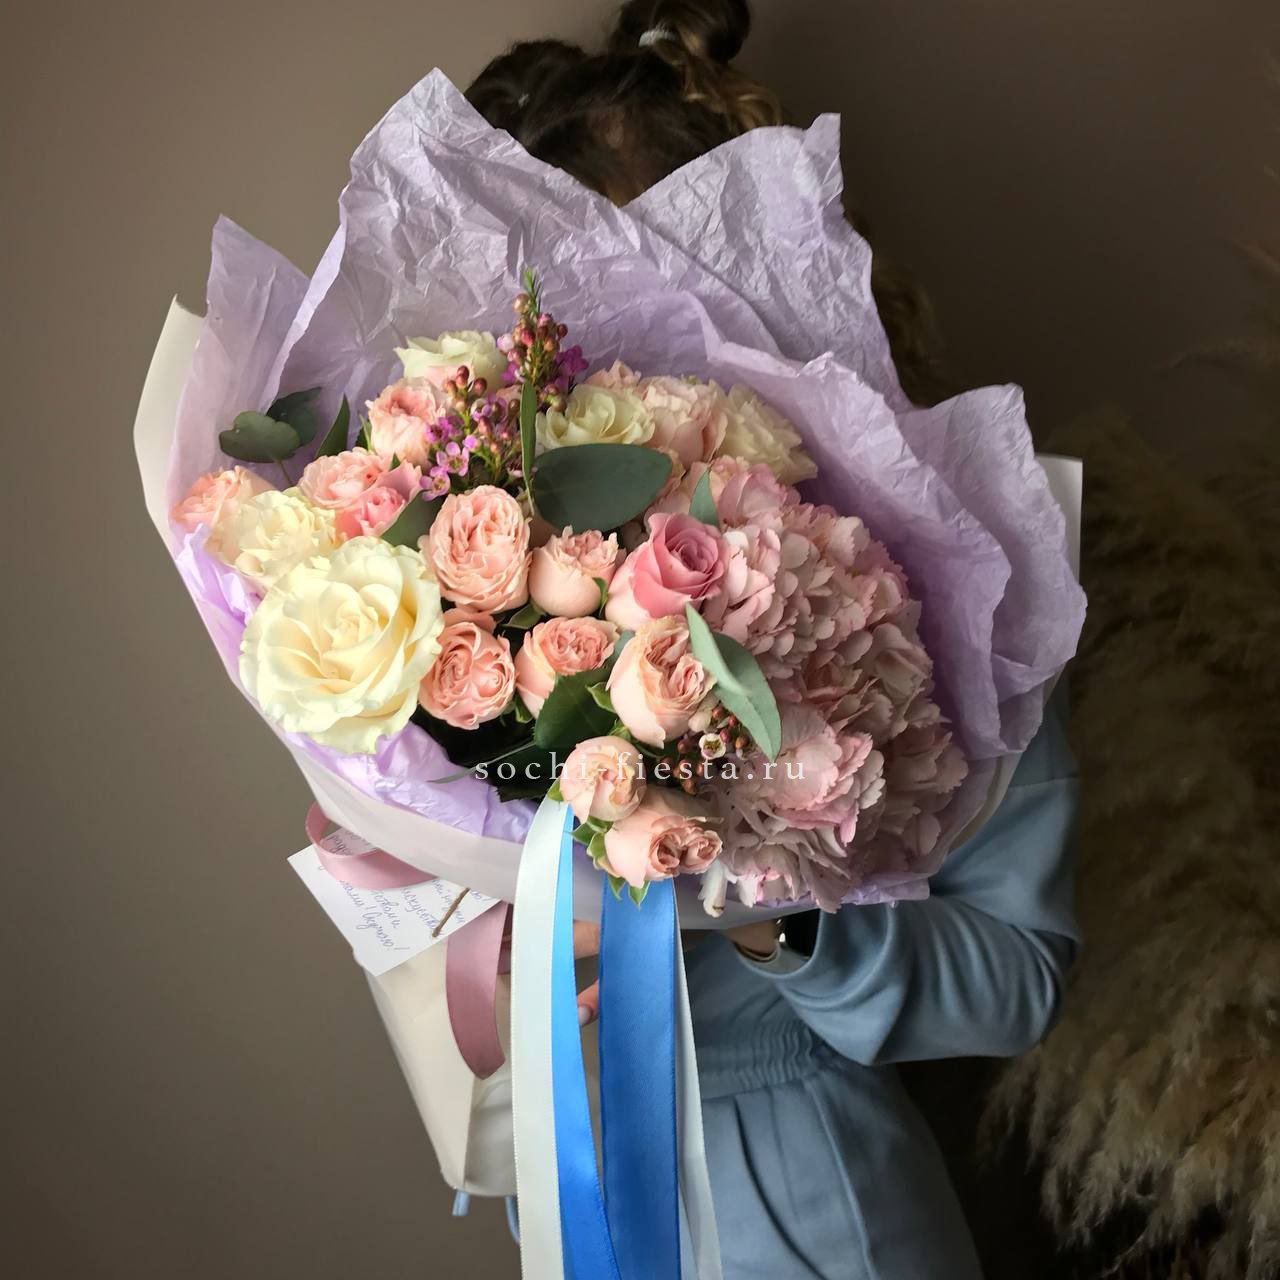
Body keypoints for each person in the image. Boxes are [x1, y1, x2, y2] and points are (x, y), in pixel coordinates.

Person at [467, 4, 1080, 1276]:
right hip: (570, 1181)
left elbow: (1019, 975)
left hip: (811, 1196)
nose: (640, 390)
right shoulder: (459, 555)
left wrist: (773, 902)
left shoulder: (939, 575)